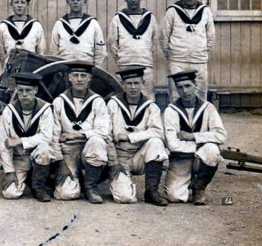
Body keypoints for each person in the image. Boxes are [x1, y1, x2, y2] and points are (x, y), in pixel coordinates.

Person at [106, 66, 169, 206]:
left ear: (142, 83)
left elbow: (158, 132)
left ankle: (151, 191)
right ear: (123, 84)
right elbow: (106, 135)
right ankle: (122, 183)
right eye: (129, 83)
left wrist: (130, 137)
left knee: (156, 142)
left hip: (140, 156)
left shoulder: (150, 106)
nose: (133, 87)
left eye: (136, 83)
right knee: (125, 198)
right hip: (119, 158)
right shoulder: (113, 104)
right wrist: (114, 162)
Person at [163, 70, 226, 205]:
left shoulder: (208, 108)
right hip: (181, 159)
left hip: (200, 157)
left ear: (195, 85)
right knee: (174, 197)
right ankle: (187, 180)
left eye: (187, 86)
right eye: (180, 87)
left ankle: (199, 187)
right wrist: (200, 145)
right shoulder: (171, 110)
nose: (184, 91)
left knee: (212, 150)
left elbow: (221, 136)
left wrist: (192, 136)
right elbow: (172, 145)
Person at [51, 62, 111, 204]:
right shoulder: (59, 101)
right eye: (75, 75)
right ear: (69, 78)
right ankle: (73, 182)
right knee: (67, 194)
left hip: (88, 147)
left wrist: (77, 135)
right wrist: (60, 163)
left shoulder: (98, 101)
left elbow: (103, 131)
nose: (79, 79)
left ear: (89, 78)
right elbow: (53, 135)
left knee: (97, 141)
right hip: (68, 151)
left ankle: (90, 187)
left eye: (83, 75)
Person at [0, 72, 56, 202]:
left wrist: (20, 141)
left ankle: (38, 187)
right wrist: (9, 171)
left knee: (44, 149)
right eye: (20, 90)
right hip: (19, 159)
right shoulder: (9, 111)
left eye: (28, 90)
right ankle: (27, 177)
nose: (24, 94)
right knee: (10, 193)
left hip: (38, 155)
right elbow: (3, 143)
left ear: (35, 90)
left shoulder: (45, 109)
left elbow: (46, 137)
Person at [160, 0, 216, 101]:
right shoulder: (172, 11)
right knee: (176, 94)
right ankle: (177, 119)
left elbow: (211, 35)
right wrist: (171, 53)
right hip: (177, 61)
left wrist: (202, 50)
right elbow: (164, 36)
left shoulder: (205, 11)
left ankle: (198, 119)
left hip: (199, 60)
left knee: (200, 93)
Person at [108, 0, 159, 98]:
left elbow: (154, 41)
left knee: (147, 97)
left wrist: (145, 54)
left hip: (145, 65)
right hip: (125, 65)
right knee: (125, 97)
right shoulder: (118, 19)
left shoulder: (150, 18)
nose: (133, 0)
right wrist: (122, 57)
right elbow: (112, 43)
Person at [50, 0, 107, 67]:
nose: (75, 2)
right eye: (72, 0)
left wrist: (96, 68)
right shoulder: (59, 24)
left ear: (84, 2)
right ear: (67, 2)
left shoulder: (93, 23)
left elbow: (100, 50)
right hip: (65, 66)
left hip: (87, 66)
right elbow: (54, 50)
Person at [0, 0, 46, 69]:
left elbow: (41, 50)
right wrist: (6, 65)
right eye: (16, 2)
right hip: (10, 68)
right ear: (11, 4)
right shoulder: (3, 26)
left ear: (27, 4)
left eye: (23, 2)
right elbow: (0, 52)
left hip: (30, 68)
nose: (20, 5)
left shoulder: (36, 25)